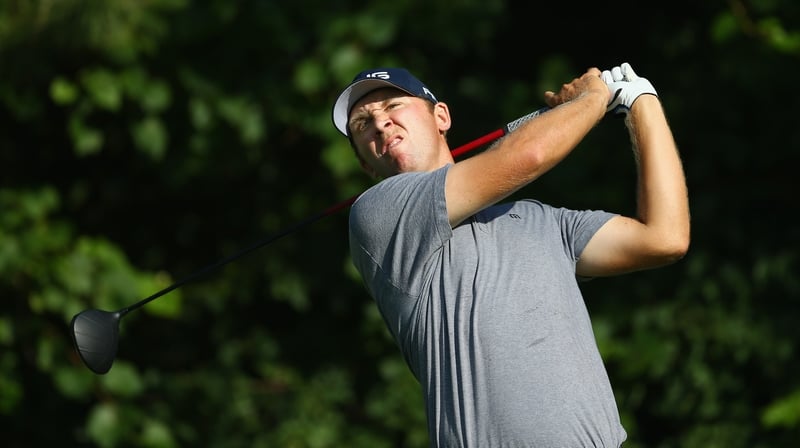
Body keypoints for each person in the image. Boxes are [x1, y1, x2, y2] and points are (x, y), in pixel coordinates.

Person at [330, 63, 690, 447]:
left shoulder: (542, 221)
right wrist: (596, 96)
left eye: (393, 106)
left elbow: (665, 238)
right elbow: (529, 155)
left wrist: (641, 100)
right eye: (362, 124)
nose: (380, 124)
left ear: (441, 116)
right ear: (366, 164)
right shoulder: (379, 214)